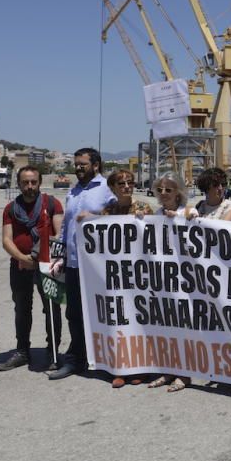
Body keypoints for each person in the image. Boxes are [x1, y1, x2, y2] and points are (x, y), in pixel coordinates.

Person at [48, 148, 115, 380]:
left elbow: (119, 220)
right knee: (74, 313)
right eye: (76, 164)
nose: (78, 168)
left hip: (99, 264)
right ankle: (77, 358)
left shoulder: (108, 189)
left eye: (82, 164)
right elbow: (67, 226)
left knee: (103, 311)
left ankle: (109, 358)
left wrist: (97, 218)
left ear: (96, 165)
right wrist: (60, 252)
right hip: (74, 262)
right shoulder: (73, 190)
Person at [0, 166, 64, 372]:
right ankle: (22, 351)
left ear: (39, 182)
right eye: (25, 182)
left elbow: (59, 234)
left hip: (48, 264)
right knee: (22, 308)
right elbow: (6, 239)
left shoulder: (52, 204)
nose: (29, 186)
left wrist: (37, 258)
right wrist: (22, 258)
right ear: (18, 184)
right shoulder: (10, 208)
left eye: (33, 182)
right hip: (19, 265)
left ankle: (52, 352)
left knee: (51, 309)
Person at [99, 168, 152, 389]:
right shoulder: (107, 211)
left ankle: (140, 367)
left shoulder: (143, 207)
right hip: (114, 274)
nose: (127, 187)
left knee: (139, 320)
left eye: (130, 183)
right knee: (118, 320)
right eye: (121, 184)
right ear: (113, 187)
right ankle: (120, 367)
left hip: (138, 274)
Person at [147, 171, 193, 393]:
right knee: (164, 327)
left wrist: (183, 219)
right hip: (161, 280)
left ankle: (185, 373)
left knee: (183, 328)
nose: (164, 193)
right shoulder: (155, 213)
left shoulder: (189, 212)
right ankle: (167, 369)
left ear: (179, 192)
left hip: (184, 281)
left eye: (169, 189)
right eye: (160, 189)